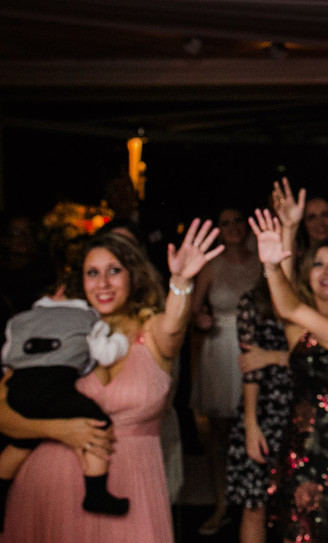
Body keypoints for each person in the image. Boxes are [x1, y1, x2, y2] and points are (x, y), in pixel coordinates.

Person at [0, 221, 223, 541]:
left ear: (133, 275)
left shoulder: (152, 332)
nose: (102, 283)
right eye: (92, 273)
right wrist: (60, 430)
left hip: (132, 487)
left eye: (114, 270)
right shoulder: (61, 331)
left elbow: (174, 326)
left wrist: (181, 281)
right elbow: (3, 410)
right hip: (50, 488)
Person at [251, 212, 328, 543]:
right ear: (307, 273)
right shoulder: (296, 321)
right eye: (318, 264)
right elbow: (285, 301)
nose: (327, 272)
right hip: (306, 450)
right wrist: (280, 249)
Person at [0, 283, 131, 528]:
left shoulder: (18, 320)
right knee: (97, 423)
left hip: (18, 387)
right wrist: (120, 342)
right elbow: (104, 354)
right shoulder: (88, 317)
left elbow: (7, 356)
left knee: (20, 442)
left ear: (57, 292)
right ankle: (96, 493)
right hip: (55, 386)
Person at [191, 206, 262, 535]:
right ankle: (222, 502)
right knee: (220, 432)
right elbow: (191, 312)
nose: (232, 227)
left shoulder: (260, 260)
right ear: (217, 230)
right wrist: (200, 320)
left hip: (254, 348)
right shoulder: (209, 265)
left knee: (255, 427)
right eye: (225, 223)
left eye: (237, 221)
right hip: (219, 349)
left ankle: (257, 503)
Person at [225, 271, 294, 543]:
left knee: (300, 504)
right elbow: (250, 368)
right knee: (255, 503)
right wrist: (251, 424)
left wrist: (273, 357)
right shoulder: (253, 300)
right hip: (266, 406)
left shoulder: (311, 296)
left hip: (306, 405)